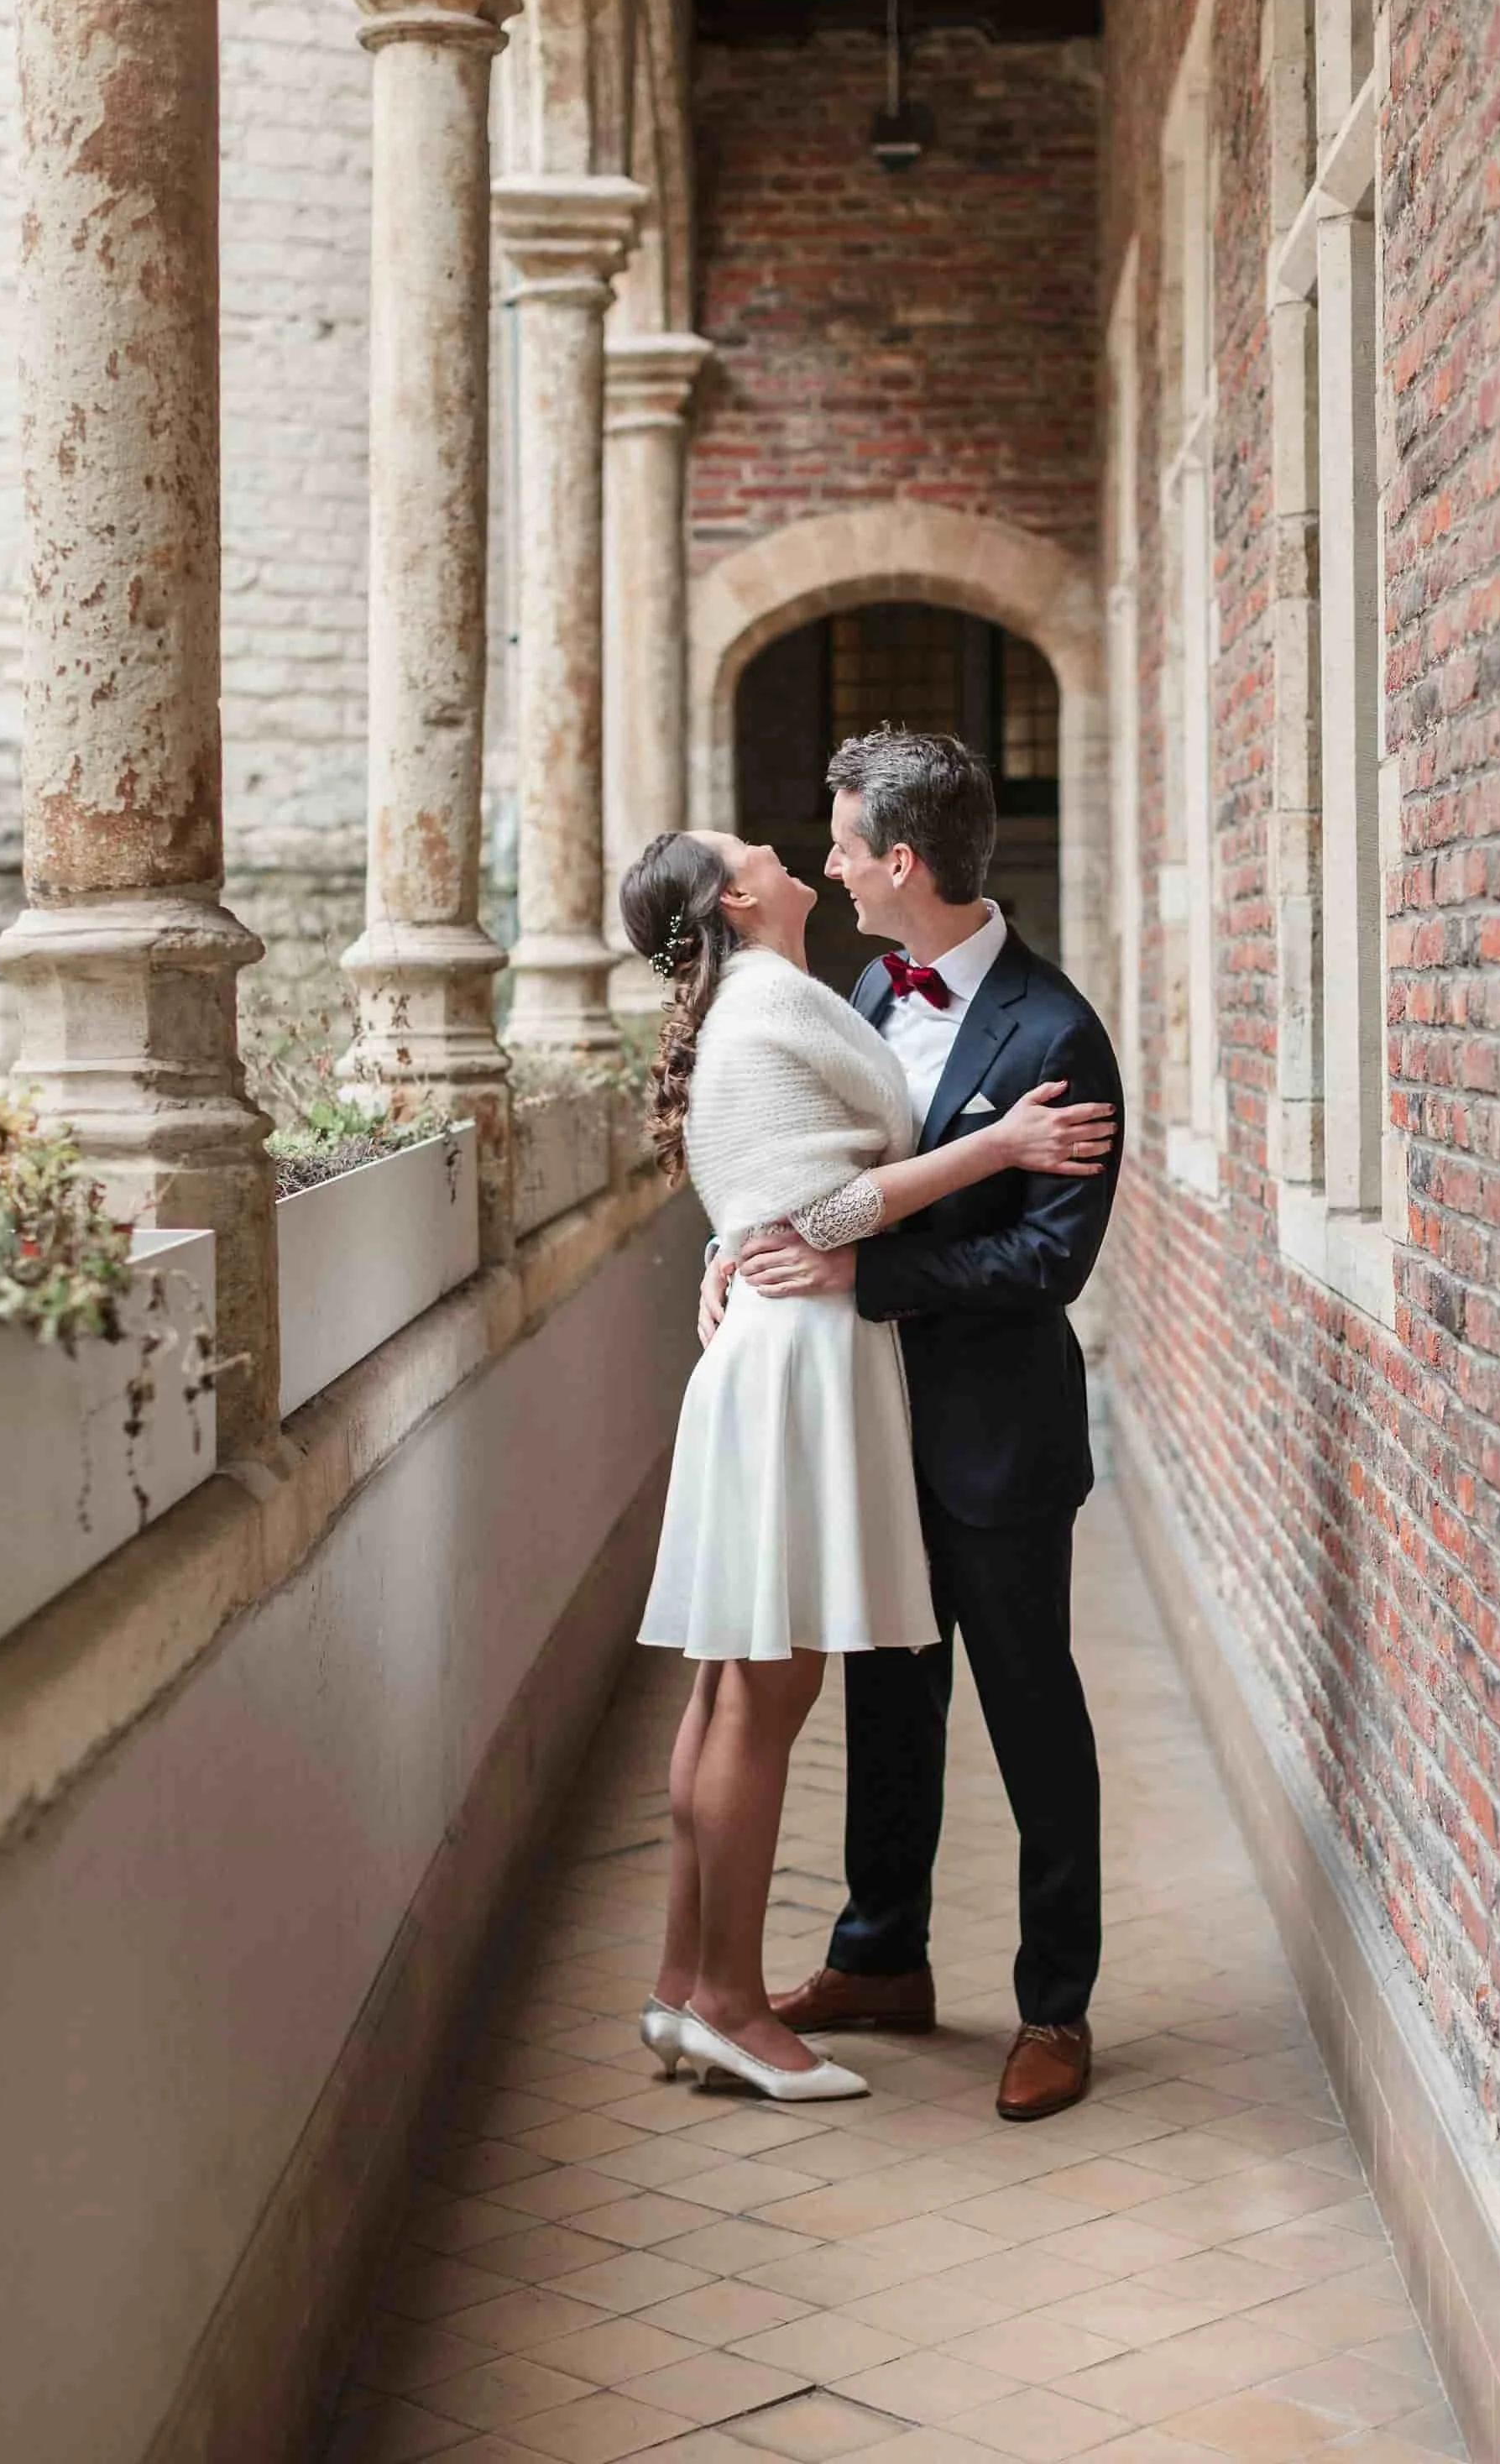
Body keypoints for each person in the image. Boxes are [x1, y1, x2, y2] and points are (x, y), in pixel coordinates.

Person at [619, 824, 1117, 2106]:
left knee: (1022, 1711)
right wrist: (747, 1249)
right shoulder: (814, 998)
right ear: (735, 899)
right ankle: (849, 1963)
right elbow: (799, 1199)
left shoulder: (1050, 1027)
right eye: (787, 851)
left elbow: (1044, 1266)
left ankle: (1051, 2009)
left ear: (904, 859)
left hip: (977, 1424)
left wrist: (777, 1247)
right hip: (822, 1383)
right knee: (809, 1697)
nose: (815, 860)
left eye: (837, 843)